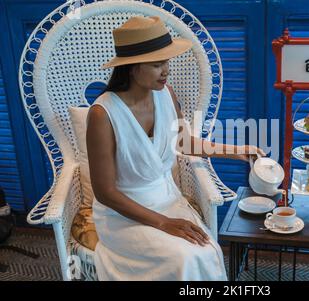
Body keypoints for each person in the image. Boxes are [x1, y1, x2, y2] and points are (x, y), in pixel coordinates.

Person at [86, 16, 265, 281]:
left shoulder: (166, 93)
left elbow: (184, 142)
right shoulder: (103, 114)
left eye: (166, 62)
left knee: (206, 250)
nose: (166, 70)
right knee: (185, 257)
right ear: (131, 68)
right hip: (123, 215)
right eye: (157, 64)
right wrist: (163, 222)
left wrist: (236, 150)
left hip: (168, 199)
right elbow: (105, 192)